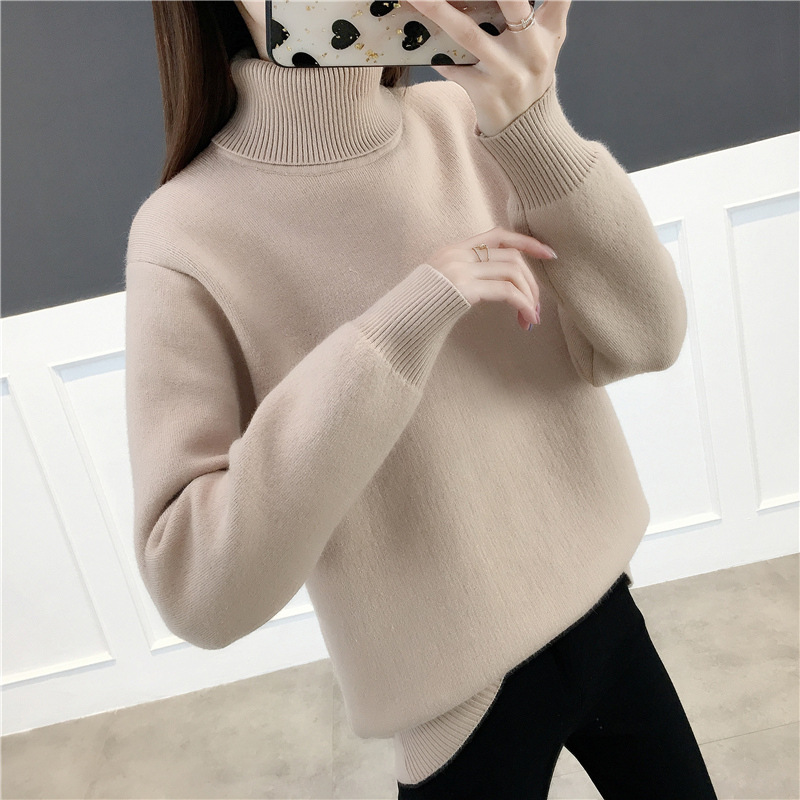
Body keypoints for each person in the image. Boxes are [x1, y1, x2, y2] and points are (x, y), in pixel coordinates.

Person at [124, 1, 718, 797]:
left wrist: (535, 128)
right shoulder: (184, 234)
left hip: (606, 616)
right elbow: (198, 592)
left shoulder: (466, 118)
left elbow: (649, 339)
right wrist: (399, 329)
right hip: (455, 706)